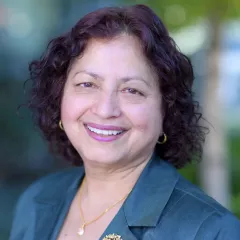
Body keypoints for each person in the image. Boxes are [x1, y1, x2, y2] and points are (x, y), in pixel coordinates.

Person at [10, 4, 240, 240]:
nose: (105, 109)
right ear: (60, 95)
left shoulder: (211, 230)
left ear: (166, 110)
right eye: (87, 84)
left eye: (131, 90)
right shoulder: (37, 200)